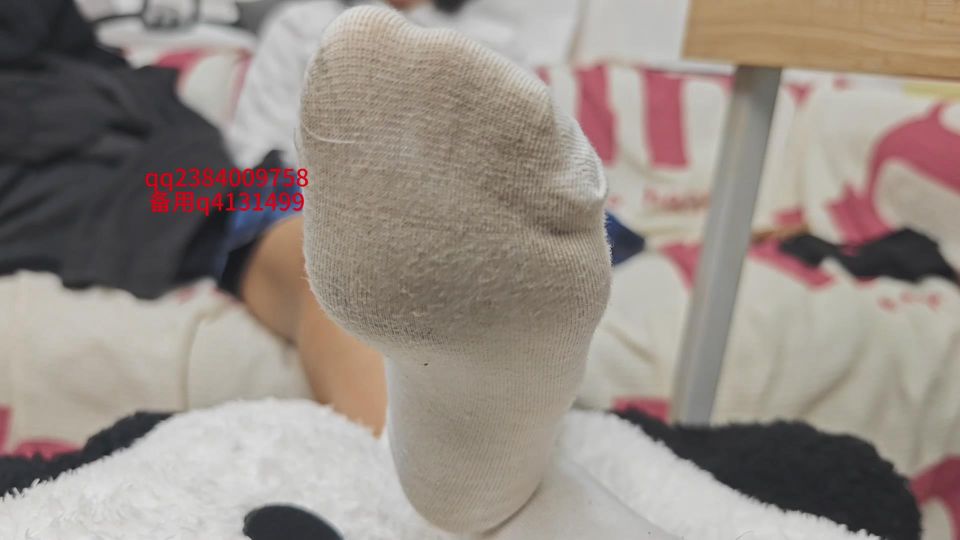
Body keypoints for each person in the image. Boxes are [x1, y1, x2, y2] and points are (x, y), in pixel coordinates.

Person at [294, 6, 676, 537]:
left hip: (480, 211)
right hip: (307, 193)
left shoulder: (495, 34)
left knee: (404, 249)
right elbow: (254, 154)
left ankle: (453, 460)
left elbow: (539, 148)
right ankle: (469, 455)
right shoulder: (299, 22)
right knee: (313, 239)